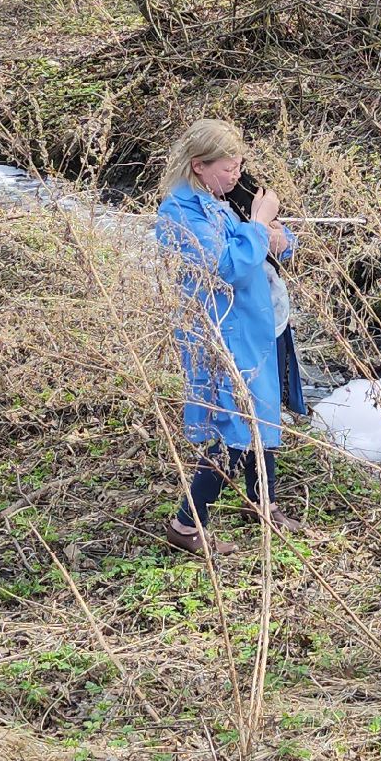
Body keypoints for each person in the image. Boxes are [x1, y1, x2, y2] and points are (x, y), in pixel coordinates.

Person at [154, 119, 303, 556]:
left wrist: (275, 234)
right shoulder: (178, 215)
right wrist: (258, 225)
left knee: (261, 417)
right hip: (221, 333)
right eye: (227, 168)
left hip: (258, 324)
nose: (236, 176)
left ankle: (263, 503)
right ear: (199, 166)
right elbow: (226, 266)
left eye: (239, 165)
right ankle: (186, 524)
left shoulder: (224, 198)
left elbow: (277, 243)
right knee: (233, 426)